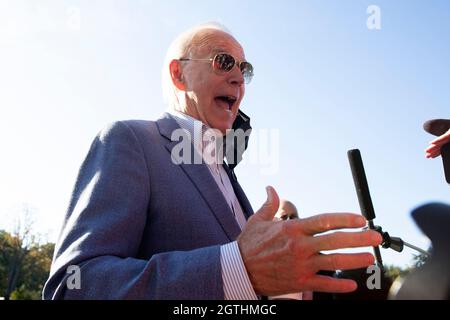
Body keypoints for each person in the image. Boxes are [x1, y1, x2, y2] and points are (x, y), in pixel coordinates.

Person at [43, 22, 382, 300]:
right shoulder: (129, 140)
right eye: (223, 62)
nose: (238, 78)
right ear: (179, 74)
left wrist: (300, 287)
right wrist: (238, 268)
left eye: (244, 69)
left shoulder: (226, 175)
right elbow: (74, 287)